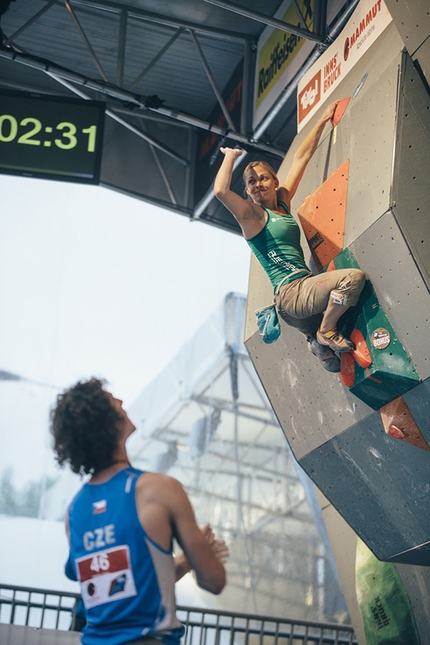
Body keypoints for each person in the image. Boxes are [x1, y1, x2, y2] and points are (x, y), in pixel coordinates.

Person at [50, 377, 228, 645]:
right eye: (113, 401)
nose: (121, 402)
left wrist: (185, 560)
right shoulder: (159, 489)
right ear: (107, 424)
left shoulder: (73, 512)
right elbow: (214, 581)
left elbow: (118, 590)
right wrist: (199, 549)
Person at [214, 101, 366, 372]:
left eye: (262, 178)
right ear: (247, 192)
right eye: (251, 182)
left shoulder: (283, 201)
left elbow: (301, 158)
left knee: (334, 365)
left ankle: (316, 341)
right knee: (352, 279)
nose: (257, 184)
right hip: (292, 295)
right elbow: (221, 192)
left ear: (274, 181)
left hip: (302, 300)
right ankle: (325, 331)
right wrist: (230, 155)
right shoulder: (253, 216)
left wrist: (321, 119)